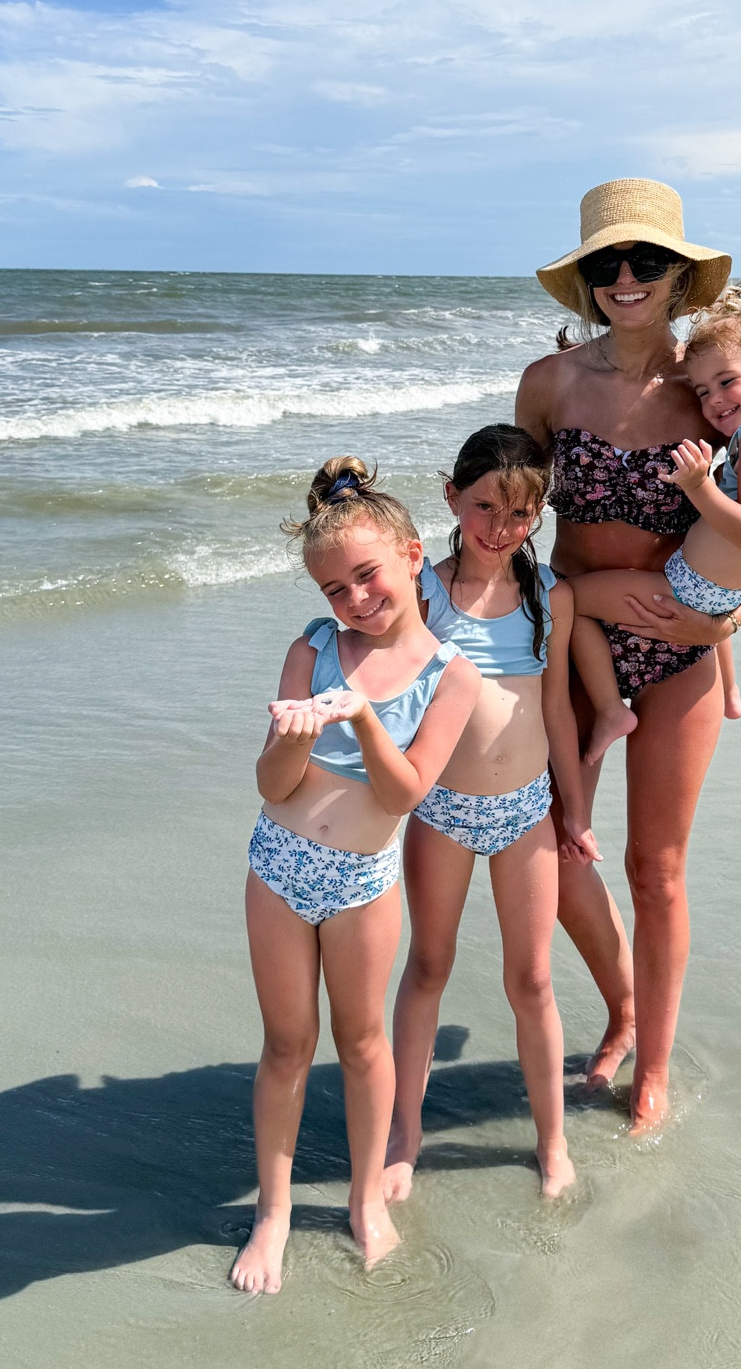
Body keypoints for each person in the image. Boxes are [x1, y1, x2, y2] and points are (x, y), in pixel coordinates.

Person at [515, 179, 741, 1133]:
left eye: (645, 260)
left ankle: (652, 1066)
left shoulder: (715, 386)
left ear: (678, 275)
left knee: (658, 868)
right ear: (585, 282)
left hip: (679, 650)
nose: (625, 278)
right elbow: (511, 517)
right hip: (571, 641)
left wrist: (728, 623)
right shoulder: (549, 382)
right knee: (553, 851)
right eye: (605, 264)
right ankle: (623, 1005)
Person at [230, 458, 481, 1295]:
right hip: (279, 868)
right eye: (336, 588)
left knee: (362, 1042)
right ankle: (272, 1213)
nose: (355, 599)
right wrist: (297, 732)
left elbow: (406, 793)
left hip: (363, 882)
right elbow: (272, 785)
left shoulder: (454, 674)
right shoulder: (311, 647)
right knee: (285, 1044)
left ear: (413, 556)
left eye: (367, 575)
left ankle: (366, 1199)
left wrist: (365, 718)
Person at [384, 426, 597, 1203]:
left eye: (518, 513)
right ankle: (403, 1136)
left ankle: (552, 1141)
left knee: (532, 979)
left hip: (526, 816)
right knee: (429, 967)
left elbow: (558, 714)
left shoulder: (551, 596)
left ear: (537, 514)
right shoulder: (423, 593)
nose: (499, 527)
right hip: (440, 810)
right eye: (483, 507)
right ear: (451, 497)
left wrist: (575, 812)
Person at [569, 284, 741, 763]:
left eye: (727, 382)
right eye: (704, 391)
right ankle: (730, 693)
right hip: (726, 593)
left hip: (688, 589)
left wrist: (699, 486)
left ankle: (610, 711)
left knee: (567, 599)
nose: (714, 402)